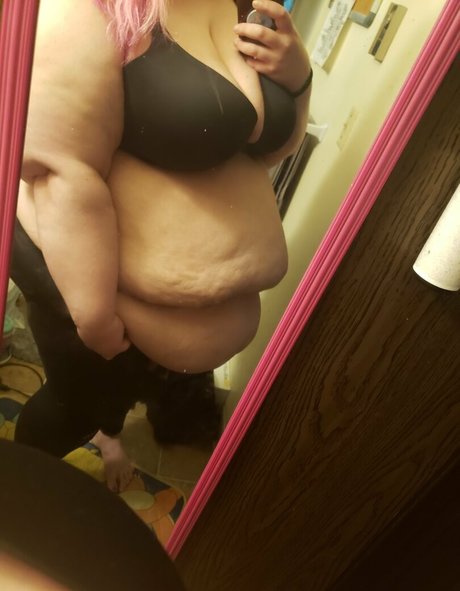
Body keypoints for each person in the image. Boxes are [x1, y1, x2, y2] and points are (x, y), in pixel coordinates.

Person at [10, 0, 312, 491]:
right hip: (86, 282)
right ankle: (16, 497)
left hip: (156, 312)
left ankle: (109, 437)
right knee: (72, 409)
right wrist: (94, 316)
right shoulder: (85, 11)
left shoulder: (233, 6)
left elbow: (263, 147)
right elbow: (60, 171)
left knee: (116, 398)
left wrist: (297, 81)